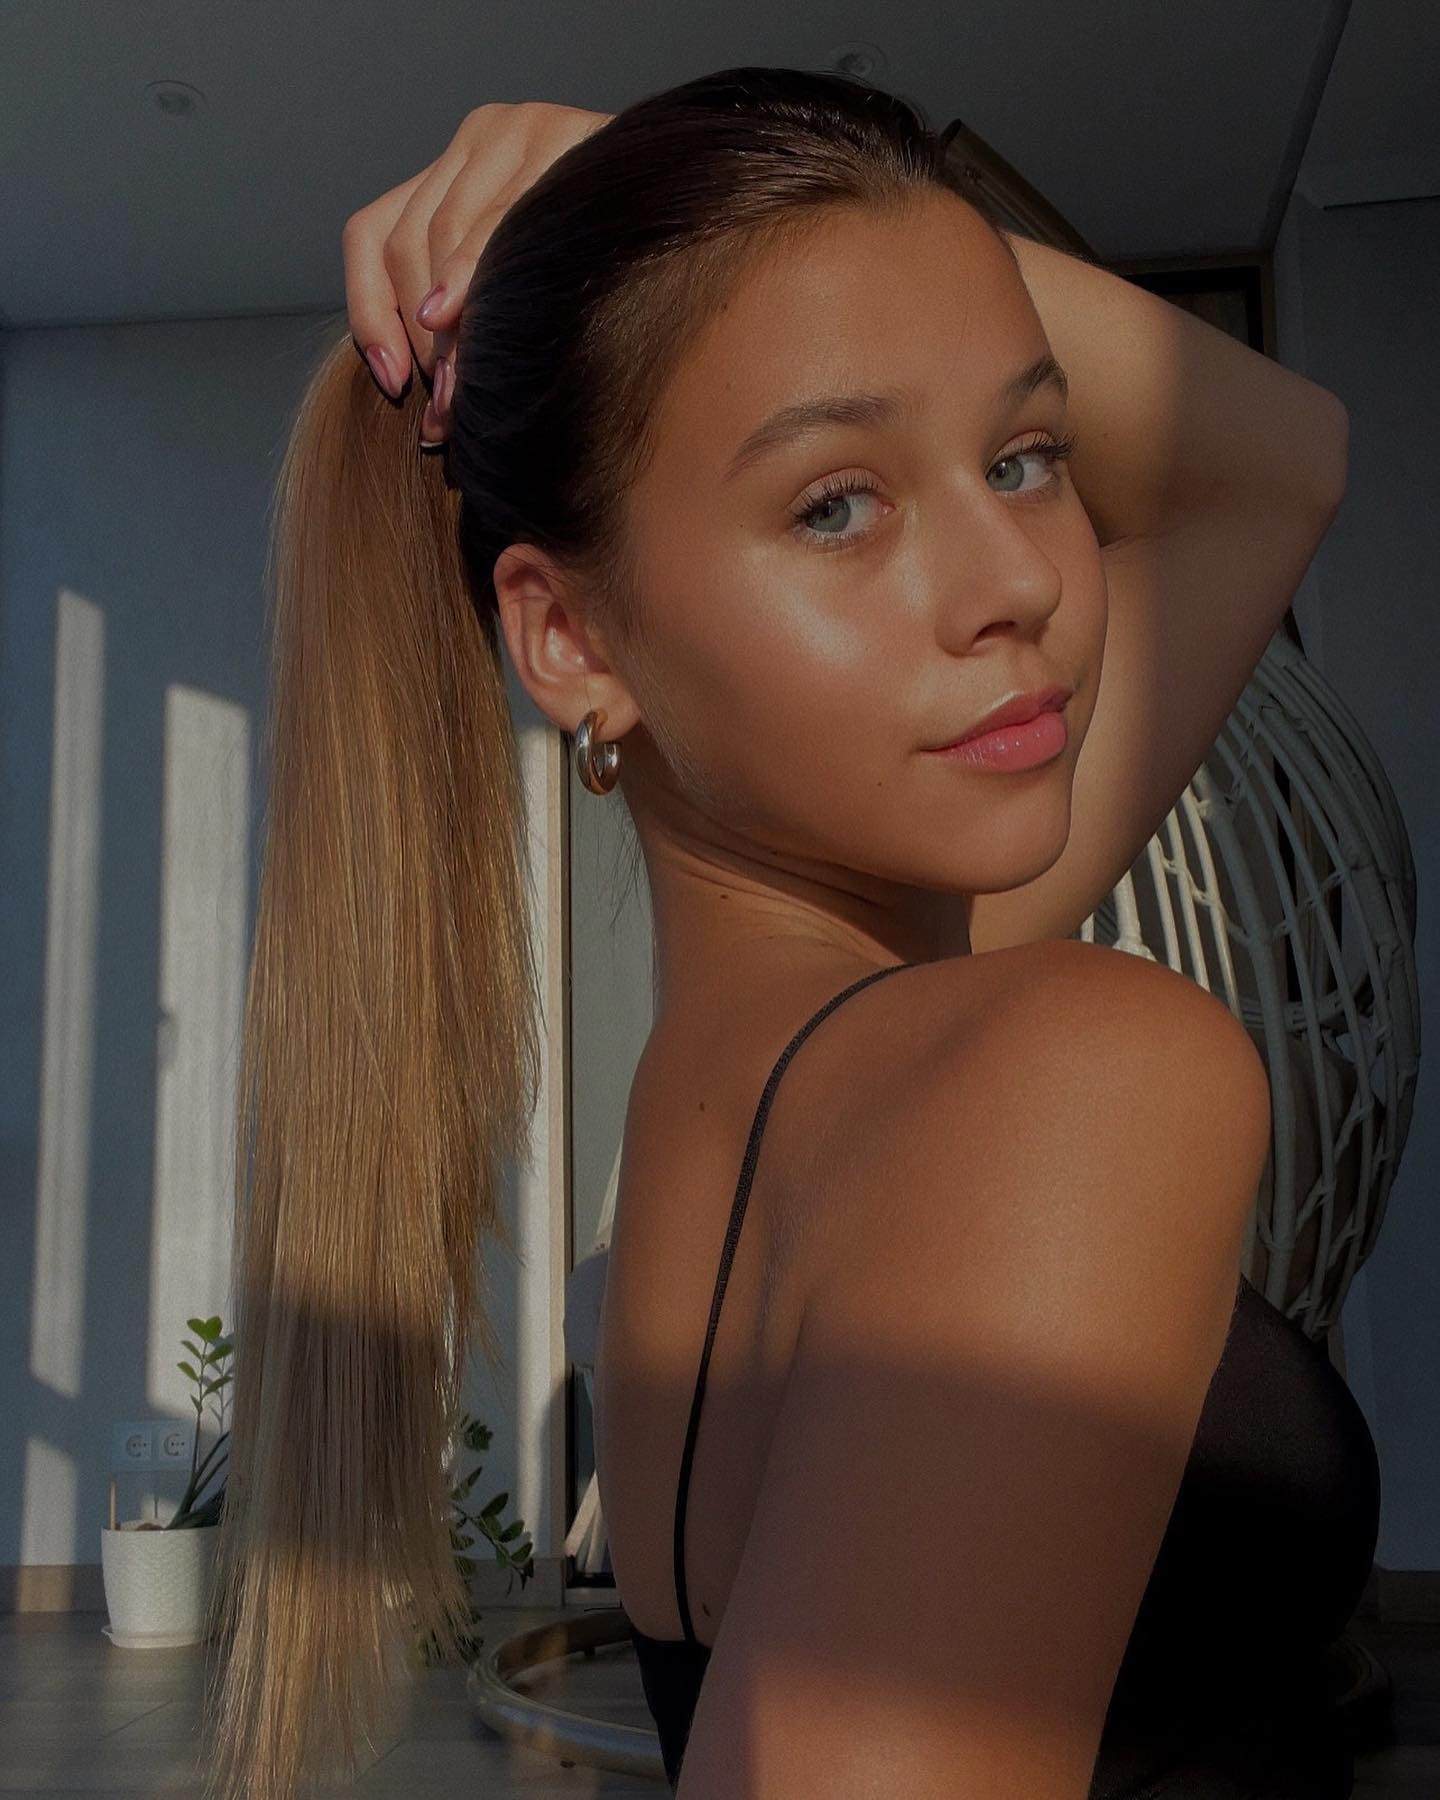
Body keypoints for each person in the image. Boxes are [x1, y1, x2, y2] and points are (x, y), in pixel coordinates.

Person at [201, 67, 1377, 1800]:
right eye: (838, 503)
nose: (1020, 581)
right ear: (573, 641)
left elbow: (1277, 460)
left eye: (1026, 458)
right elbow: (1271, 457)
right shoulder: (1050, 1074)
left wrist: (654, 181)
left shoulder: (751, 1102)